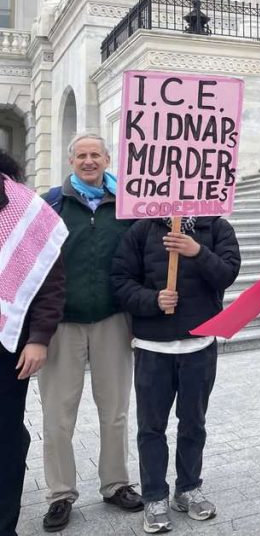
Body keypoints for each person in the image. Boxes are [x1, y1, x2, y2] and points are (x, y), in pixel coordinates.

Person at [110, 211, 240, 533]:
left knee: (193, 423)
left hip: (198, 346)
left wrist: (197, 252)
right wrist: (153, 299)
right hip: (153, 348)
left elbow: (227, 274)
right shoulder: (141, 230)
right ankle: (154, 496)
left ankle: (188, 488)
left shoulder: (217, 227)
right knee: (151, 428)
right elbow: (120, 281)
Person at [39, 134, 142, 532]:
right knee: (57, 416)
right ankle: (60, 494)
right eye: (81, 155)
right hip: (61, 323)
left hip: (113, 320)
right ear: (70, 161)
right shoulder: (52, 203)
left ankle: (115, 484)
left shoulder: (128, 205)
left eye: (94, 154)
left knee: (114, 411)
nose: (88, 161)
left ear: (107, 159)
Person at [0, 151, 65, 536]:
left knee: (6, 437)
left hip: (9, 345)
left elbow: (50, 281)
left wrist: (39, 338)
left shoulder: (27, 208)